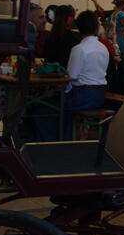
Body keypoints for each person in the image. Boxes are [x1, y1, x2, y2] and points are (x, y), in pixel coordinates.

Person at [34, 11, 108, 141]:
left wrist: (62, 92)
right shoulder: (103, 48)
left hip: (82, 96)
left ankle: (53, 141)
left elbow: (71, 77)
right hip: (99, 95)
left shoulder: (79, 49)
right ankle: (66, 137)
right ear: (96, 28)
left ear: (79, 28)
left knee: (42, 109)